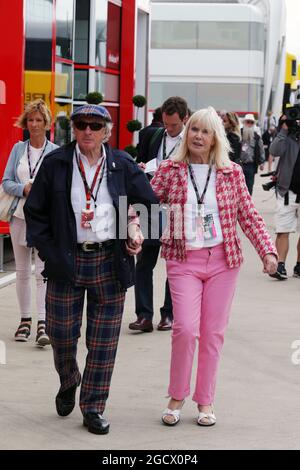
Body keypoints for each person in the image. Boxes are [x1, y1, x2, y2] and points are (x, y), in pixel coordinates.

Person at [24, 104, 158, 435]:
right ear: (73, 128)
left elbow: (151, 207)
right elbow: (35, 212)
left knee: (103, 343)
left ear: (106, 131)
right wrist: (48, 253)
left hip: (109, 262)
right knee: (61, 335)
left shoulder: (122, 164)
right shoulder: (56, 164)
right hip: (65, 262)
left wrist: (135, 228)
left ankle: (93, 406)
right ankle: (69, 378)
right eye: (81, 124)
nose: (87, 130)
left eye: (95, 125)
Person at [151, 106, 277, 427]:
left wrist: (267, 252)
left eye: (205, 131)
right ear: (186, 133)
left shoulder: (231, 172)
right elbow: (144, 202)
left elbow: (247, 215)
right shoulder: (171, 169)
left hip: (223, 261)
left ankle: (205, 400)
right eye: (194, 129)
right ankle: (177, 395)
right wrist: (134, 228)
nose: (197, 136)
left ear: (215, 138)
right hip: (183, 259)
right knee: (185, 329)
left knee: (211, 334)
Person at [129, 96, 189, 333]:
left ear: (184, 119)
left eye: (174, 124)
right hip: (150, 204)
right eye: (166, 123)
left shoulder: (193, 139)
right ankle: (144, 315)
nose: (169, 128)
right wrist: (142, 167)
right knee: (144, 260)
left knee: (173, 262)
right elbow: (139, 162)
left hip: (177, 207)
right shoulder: (150, 135)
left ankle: (169, 314)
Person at [2, 99, 58, 347]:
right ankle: (25, 320)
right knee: (23, 271)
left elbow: (60, 187)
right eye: (31, 120)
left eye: (39, 120)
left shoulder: (55, 152)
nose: (34, 124)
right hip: (19, 216)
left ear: (47, 123)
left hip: (45, 221)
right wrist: (24, 188)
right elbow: (6, 182)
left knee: (43, 273)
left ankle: (43, 323)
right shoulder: (17, 149)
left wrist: (43, 192)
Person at [268, 115, 300, 280]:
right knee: (283, 229)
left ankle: (299, 265)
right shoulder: (287, 137)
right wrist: (284, 129)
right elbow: (274, 151)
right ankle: (280, 264)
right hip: (286, 192)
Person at [240, 113, 265, 195]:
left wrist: (262, 162)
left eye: (251, 122)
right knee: (239, 187)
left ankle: (248, 205)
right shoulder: (239, 134)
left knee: (249, 187)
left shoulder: (257, 137)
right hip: (239, 165)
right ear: (244, 122)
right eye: (248, 122)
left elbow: (261, 149)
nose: (249, 124)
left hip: (251, 165)